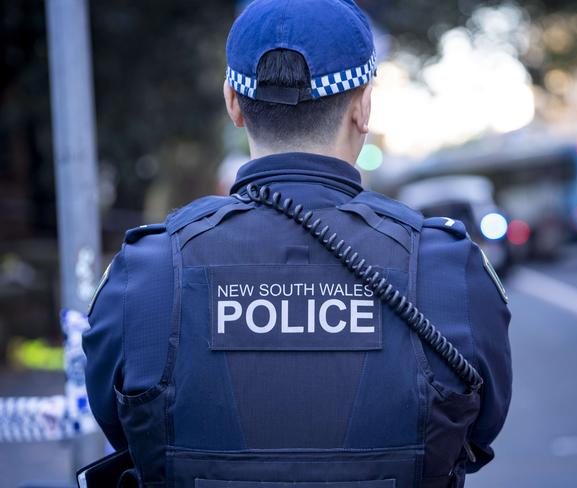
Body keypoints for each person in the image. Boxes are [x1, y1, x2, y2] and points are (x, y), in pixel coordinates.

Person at [82, 1, 512, 487]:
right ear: (364, 106)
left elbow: (118, 422)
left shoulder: (147, 271)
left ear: (233, 103)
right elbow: (482, 425)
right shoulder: (448, 266)